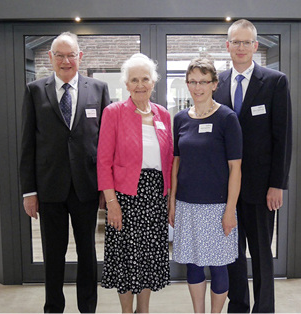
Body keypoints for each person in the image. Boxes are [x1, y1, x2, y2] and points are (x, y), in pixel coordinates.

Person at [20, 32, 110, 313]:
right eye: (59, 55)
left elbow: (106, 145)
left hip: (87, 187)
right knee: (53, 255)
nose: (65, 60)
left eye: (71, 54)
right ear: (50, 58)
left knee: (87, 253)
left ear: (80, 57)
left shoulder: (99, 88)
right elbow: (27, 144)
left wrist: (107, 189)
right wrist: (29, 191)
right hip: (49, 189)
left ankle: (88, 308)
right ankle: (54, 307)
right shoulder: (35, 90)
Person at [213, 19, 292, 313]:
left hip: (261, 190)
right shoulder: (216, 83)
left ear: (256, 46)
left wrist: (277, 184)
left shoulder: (274, 82)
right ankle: (239, 306)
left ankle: (264, 308)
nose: (241, 47)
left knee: (260, 254)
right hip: (225, 191)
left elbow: (283, 137)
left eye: (247, 42)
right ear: (228, 46)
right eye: (236, 41)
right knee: (232, 254)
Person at [97, 53, 173, 313]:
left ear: (153, 82)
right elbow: (103, 161)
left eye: (145, 79)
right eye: (134, 80)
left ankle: (144, 310)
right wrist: (111, 203)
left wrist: (169, 199)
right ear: (126, 85)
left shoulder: (163, 115)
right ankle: (127, 311)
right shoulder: (114, 113)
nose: (140, 84)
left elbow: (170, 162)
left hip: (155, 196)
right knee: (126, 259)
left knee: (149, 258)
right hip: (125, 196)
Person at [169, 57, 242, 313]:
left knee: (218, 265)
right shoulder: (179, 119)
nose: (197, 87)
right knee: (193, 265)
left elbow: (235, 168)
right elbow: (176, 164)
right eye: (192, 81)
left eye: (203, 81)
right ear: (187, 84)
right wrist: (172, 202)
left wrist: (230, 209)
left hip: (217, 207)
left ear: (214, 84)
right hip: (187, 205)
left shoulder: (226, 118)